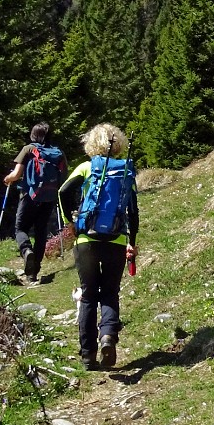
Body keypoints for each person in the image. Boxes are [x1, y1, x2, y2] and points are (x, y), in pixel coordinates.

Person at [58, 123, 139, 370]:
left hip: (86, 240)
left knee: (89, 295)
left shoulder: (86, 168)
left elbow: (63, 192)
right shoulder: (125, 171)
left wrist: (70, 224)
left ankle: (87, 355)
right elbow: (133, 212)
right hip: (115, 240)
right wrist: (131, 243)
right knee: (110, 293)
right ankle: (108, 336)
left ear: (92, 143)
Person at [2, 122, 68, 285]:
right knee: (41, 231)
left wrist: (7, 179)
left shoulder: (29, 149)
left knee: (20, 228)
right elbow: (64, 175)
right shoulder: (58, 152)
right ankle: (33, 273)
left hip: (30, 195)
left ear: (33, 135)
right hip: (49, 195)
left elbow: (16, 175)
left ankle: (26, 250)